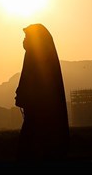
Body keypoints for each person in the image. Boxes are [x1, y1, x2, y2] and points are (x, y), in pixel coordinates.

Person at [15, 23, 70, 161]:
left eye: (27, 36)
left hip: (38, 110)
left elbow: (31, 80)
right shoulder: (39, 55)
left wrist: (22, 95)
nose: (24, 40)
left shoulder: (35, 56)